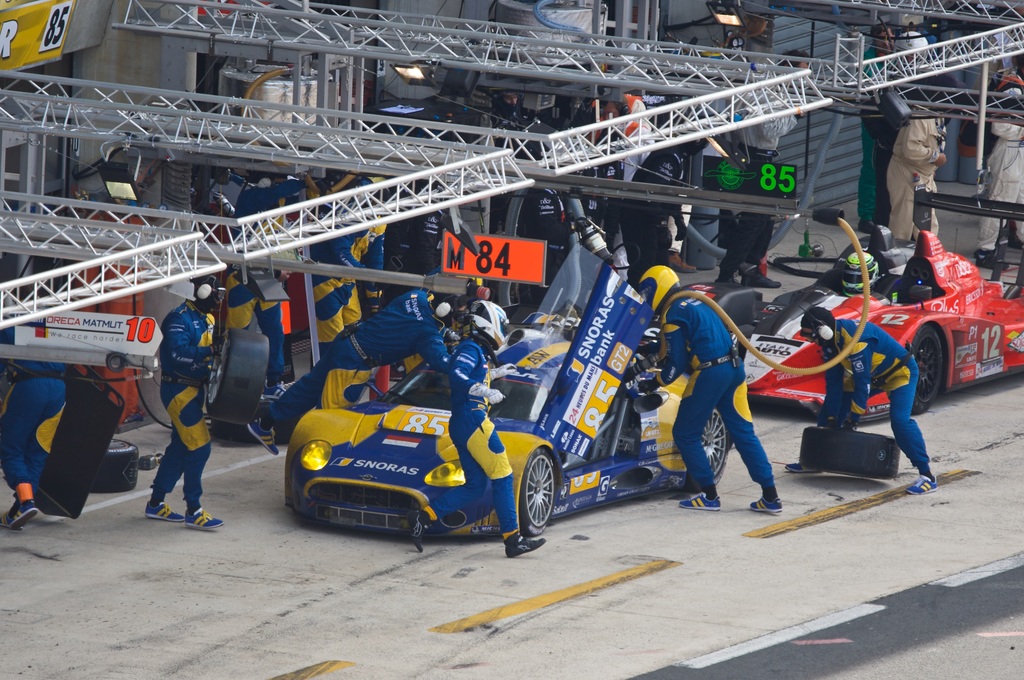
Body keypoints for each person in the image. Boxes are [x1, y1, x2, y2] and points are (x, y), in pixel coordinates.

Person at [634, 266, 782, 513]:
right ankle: (771, 496)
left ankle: (709, 495)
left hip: (710, 372)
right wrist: (647, 349)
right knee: (744, 433)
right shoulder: (694, 300)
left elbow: (676, 362)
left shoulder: (672, 312)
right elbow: (679, 343)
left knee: (685, 433)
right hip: (734, 369)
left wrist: (653, 383)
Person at [406, 300, 545, 557]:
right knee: (503, 476)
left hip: (463, 422)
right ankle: (513, 540)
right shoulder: (470, 348)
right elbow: (457, 375)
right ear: (488, 322)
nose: (502, 330)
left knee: (475, 486)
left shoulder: (473, 348)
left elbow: (472, 373)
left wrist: (497, 373)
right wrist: (484, 390)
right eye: (500, 325)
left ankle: (422, 517)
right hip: (474, 421)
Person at [247, 288, 454, 454]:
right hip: (353, 364)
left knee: (308, 388)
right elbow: (444, 364)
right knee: (331, 419)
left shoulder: (414, 296)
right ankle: (320, 465)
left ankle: (264, 424)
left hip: (346, 340)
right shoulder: (428, 335)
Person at [786, 307, 938, 495]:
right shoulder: (831, 342)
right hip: (874, 375)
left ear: (822, 330)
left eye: (809, 335)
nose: (808, 340)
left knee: (900, 421)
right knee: (829, 409)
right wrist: (832, 418)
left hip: (900, 373)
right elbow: (833, 384)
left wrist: (853, 419)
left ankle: (927, 475)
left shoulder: (856, 342)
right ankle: (817, 459)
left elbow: (862, 385)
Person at [716, 50, 809, 289]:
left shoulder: (776, 91)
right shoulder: (769, 91)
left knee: (767, 219)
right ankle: (728, 272)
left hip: (763, 158)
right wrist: (797, 114)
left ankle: (751, 268)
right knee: (753, 219)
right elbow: (769, 130)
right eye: (802, 69)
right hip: (752, 158)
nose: (804, 77)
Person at [146, 276, 226, 530]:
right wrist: (210, 351)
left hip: (196, 389)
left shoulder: (208, 319)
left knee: (180, 448)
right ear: (199, 291)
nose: (217, 295)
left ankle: (155, 503)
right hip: (178, 390)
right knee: (200, 446)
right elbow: (176, 354)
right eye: (213, 290)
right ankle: (194, 508)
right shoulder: (177, 319)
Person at [226, 172, 306, 398]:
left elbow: (287, 196)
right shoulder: (251, 198)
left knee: (275, 333)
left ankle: (274, 382)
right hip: (243, 276)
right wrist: (303, 181)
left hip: (268, 278)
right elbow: (277, 192)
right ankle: (229, 383)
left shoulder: (278, 200)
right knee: (237, 336)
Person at [0, 327, 65, 530]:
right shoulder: (57, 320)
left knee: (11, 447)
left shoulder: (12, 323)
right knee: (38, 451)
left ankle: (26, 501)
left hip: (29, 385)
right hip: (59, 389)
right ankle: (19, 509)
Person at [886, 32, 946, 241]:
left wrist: (933, 162)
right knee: (903, 224)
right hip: (907, 172)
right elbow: (910, 149)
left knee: (928, 227)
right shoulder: (921, 112)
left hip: (924, 174)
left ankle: (926, 263)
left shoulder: (937, 114)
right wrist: (935, 157)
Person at [974, 56, 1024, 269]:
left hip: (1019, 152)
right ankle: (985, 250)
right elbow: (999, 127)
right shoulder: (1013, 88)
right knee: (999, 201)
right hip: (1009, 153)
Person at [858, 23, 897, 231]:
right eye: (882, 37)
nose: (887, 41)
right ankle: (866, 215)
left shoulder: (898, 58)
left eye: (890, 36)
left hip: (894, 121)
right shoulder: (869, 61)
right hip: (874, 120)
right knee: (871, 168)